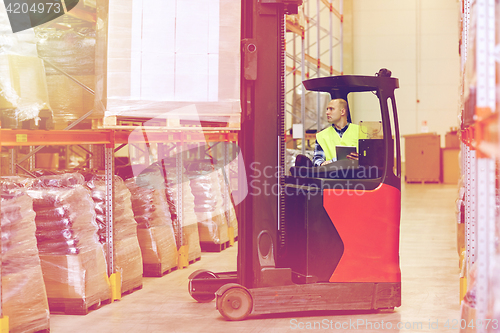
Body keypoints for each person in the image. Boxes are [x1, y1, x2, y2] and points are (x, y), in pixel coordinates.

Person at [312, 98, 359, 166]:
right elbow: (317, 159)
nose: (327, 112)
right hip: (331, 174)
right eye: (327, 109)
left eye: (331, 109)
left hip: (357, 174)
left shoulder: (361, 132)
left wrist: (361, 160)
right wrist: (322, 163)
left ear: (342, 111)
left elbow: (370, 158)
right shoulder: (321, 136)